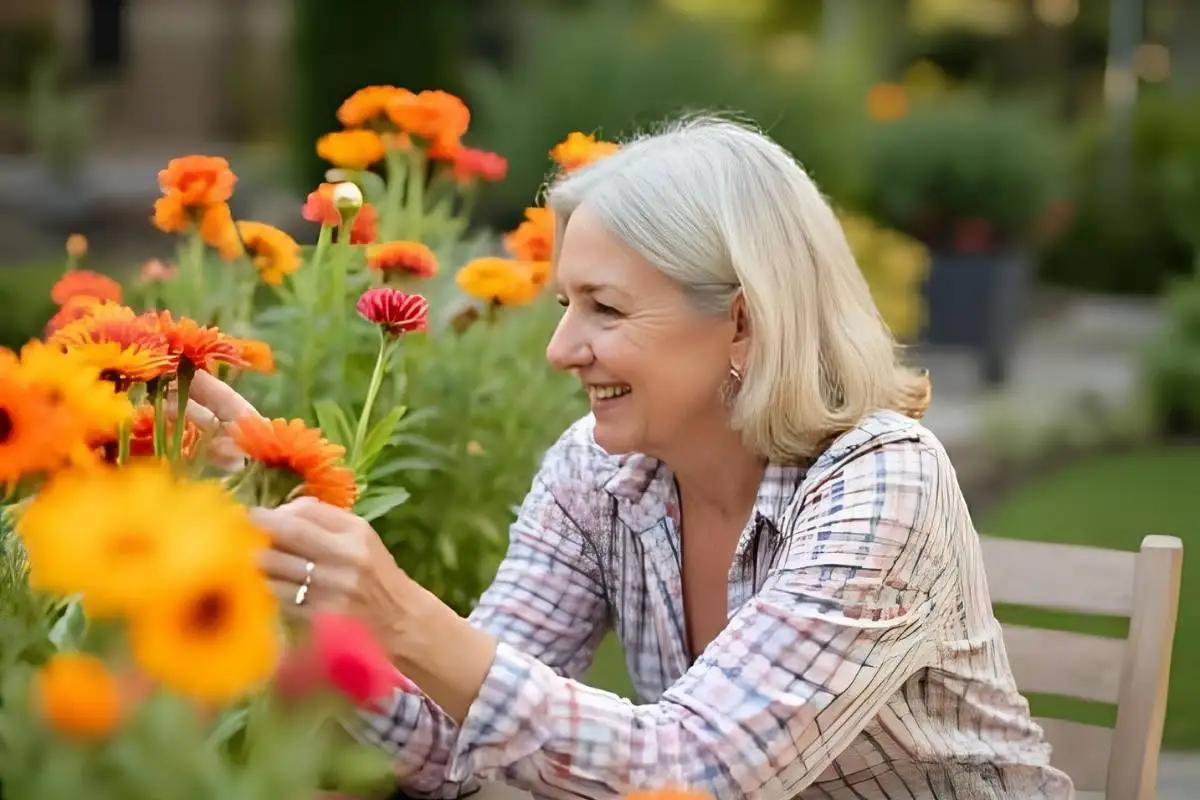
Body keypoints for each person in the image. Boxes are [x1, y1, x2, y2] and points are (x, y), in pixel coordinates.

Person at [187, 117, 1075, 799]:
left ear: (742, 321)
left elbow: (694, 775)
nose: (561, 348)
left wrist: (406, 615)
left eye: (606, 311)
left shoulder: (884, 479)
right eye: (568, 305)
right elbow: (454, 748)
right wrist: (297, 571)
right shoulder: (599, 474)